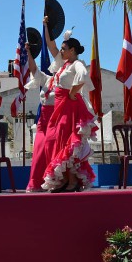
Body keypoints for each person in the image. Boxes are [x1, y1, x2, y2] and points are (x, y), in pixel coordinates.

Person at [40, 31, 98, 193]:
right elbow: (51, 46)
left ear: (72, 50)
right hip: (60, 108)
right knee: (59, 141)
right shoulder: (64, 64)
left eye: (64, 49)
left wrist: (73, 91)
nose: (61, 51)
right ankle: (66, 179)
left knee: (68, 142)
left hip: (69, 107)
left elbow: (84, 75)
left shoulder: (76, 64)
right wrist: (46, 26)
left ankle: (72, 181)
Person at [24, 16, 59, 192]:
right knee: (38, 150)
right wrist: (29, 53)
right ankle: (37, 182)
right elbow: (34, 70)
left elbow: (53, 47)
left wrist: (46, 26)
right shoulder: (46, 79)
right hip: (43, 121)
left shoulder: (64, 81)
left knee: (51, 150)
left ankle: (53, 182)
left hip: (56, 120)